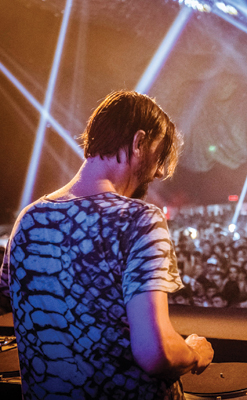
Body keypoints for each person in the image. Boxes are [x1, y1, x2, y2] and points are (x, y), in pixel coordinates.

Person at [0, 91, 213, 399]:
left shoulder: (28, 219)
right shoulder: (139, 219)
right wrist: (194, 353)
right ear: (139, 142)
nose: (159, 172)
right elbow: (156, 354)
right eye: (159, 157)